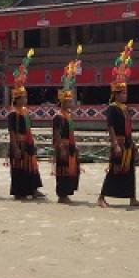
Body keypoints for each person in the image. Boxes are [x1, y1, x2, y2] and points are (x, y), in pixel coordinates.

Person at [99, 41, 139, 208]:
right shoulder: (112, 108)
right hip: (118, 143)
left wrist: (133, 143)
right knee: (114, 169)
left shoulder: (126, 109)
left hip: (127, 143)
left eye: (126, 92)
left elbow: (128, 128)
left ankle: (132, 198)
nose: (125, 95)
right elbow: (110, 127)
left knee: (130, 171)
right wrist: (115, 144)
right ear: (116, 94)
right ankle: (101, 197)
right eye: (122, 93)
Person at [7, 49, 44, 200]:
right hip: (18, 143)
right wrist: (15, 147)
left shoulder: (25, 112)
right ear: (17, 99)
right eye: (23, 97)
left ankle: (33, 189)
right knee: (19, 168)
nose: (25, 100)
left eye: (26, 97)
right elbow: (12, 132)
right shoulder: (12, 113)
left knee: (31, 167)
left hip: (27, 143)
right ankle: (20, 191)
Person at [52, 46, 83, 204]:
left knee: (71, 170)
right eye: (69, 101)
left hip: (69, 145)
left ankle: (67, 193)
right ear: (63, 101)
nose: (71, 103)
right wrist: (61, 148)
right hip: (62, 147)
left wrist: (74, 144)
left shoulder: (68, 115)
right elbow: (57, 134)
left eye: (71, 100)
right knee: (63, 170)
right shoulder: (58, 116)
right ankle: (62, 195)